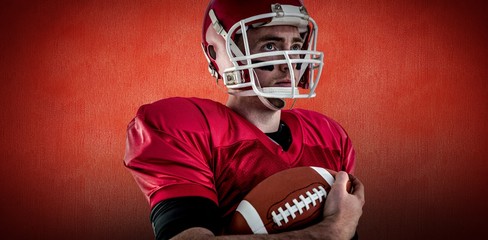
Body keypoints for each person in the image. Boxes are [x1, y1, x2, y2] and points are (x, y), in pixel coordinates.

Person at [123, 0, 365, 239]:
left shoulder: (328, 137)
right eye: (270, 46)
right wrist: (327, 234)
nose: (288, 63)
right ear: (217, 53)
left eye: (296, 45)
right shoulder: (184, 128)